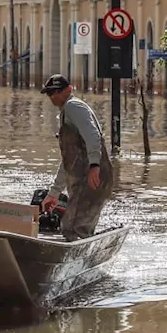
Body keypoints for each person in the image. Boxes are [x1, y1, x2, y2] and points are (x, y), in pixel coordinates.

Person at [39, 74, 114, 240]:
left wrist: (94, 166)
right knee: (76, 227)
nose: (53, 96)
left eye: (57, 91)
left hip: (91, 179)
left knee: (73, 228)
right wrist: (54, 193)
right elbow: (68, 162)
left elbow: (93, 136)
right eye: (50, 93)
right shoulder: (66, 113)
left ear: (69, 89)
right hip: (83, 181)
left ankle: (75, 259)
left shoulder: (73, 107)